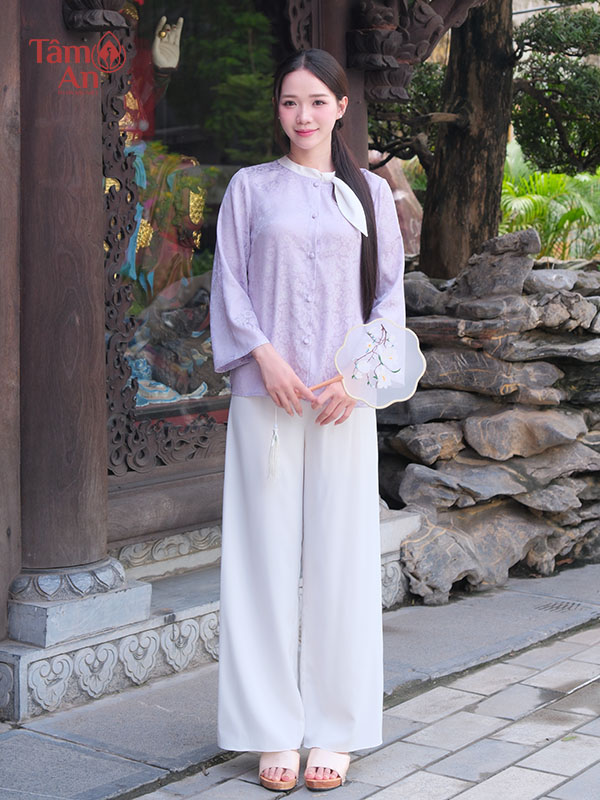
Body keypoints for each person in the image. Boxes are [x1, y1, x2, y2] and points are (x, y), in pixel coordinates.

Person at [209, 48, 405, 792]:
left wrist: (359, 379)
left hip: (341, 404)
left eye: (318, 102)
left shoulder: (370, 195)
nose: (303, 116)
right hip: (267, 396)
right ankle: (269, 729)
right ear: (278, 109)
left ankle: (337, 727)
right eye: (291, 102)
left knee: (341, 560)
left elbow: (389, 297)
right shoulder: (250, 188)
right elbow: (229, 283)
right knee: (260, 562)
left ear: (342, 107)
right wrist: (264, 358)